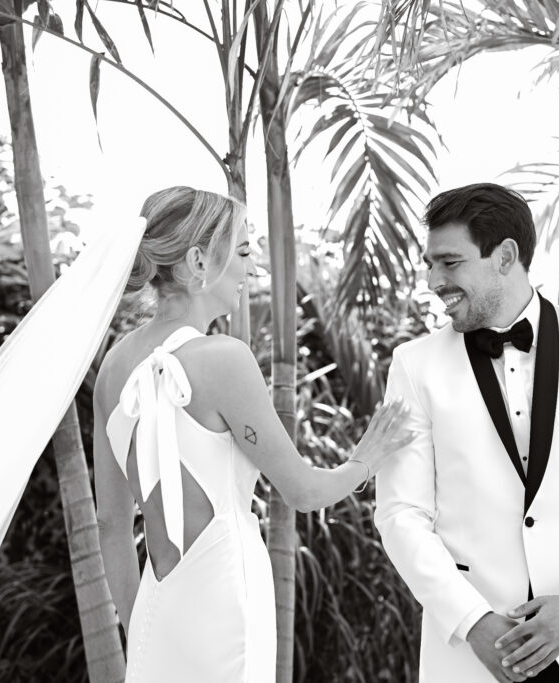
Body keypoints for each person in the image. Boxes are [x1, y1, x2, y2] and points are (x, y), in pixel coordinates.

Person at [93, 186, 412, 683]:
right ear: (199, 261)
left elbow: (112, 525)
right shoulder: (223, 358)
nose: (253, 268)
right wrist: (367, 458)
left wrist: (143, 631)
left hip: (157, 610)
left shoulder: (113, 368)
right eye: (243, 251)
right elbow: (304, 492)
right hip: (227, 603)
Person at [374, 183, 559, 683]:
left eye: (449, 262)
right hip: (472, 659)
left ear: (505, 256)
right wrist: (472, 621)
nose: (433, 280)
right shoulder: (413, 365)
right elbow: (401, 514)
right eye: (429, 264)